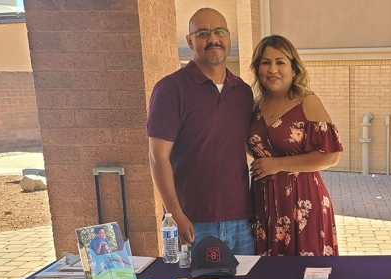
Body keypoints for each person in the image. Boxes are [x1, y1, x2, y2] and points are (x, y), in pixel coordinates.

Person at [147, 8, 255, 255]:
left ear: (228, 38)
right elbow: (157, 157)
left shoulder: (243, 91)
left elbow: (246, 145)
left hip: (241, 220)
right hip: (192, 221)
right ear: (190, 41)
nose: (213, 39)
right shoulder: (170, 89)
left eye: (219, 32)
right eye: (203, 33)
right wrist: (175, 215)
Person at [248, 35, 343, 256]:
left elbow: (331, 156)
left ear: (293, 68)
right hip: (264, 201)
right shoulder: (254, 107)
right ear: (258, 69)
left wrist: (277, 165)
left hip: (303, 201)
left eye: (280, 62)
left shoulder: (307, 102)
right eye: (265, 62)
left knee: (305, 275)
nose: (273, 69)